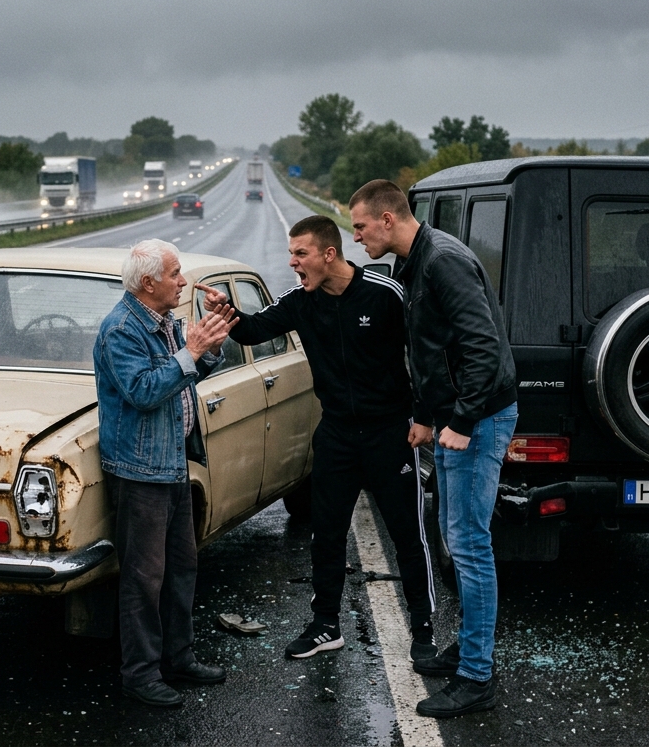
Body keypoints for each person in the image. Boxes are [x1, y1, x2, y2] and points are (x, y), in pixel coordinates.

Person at [197, 214, 437, 662]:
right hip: (337, 436)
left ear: (329, 254)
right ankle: (326, 625)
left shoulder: (385, 294)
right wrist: (225, 311)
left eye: (300, 253)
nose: (292, 263)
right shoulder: (301, 301)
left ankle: (423, 632)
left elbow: (424, 352)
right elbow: (252, 330)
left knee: (408, 534)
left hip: (391, 433)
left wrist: (423, 416)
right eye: (290, 254)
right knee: (325, 533)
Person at [350, 180, 518, 719]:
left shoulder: (442, 261)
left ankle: (477, 678)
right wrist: (425, 417)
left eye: (360, 227)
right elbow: (429, 349)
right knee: (457, 536)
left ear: (389, 219)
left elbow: (483, 346)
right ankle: (469, 652)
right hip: (449, 418)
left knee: (469, 545)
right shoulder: (412, 261)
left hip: (479, 417)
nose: (357, 239)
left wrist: (464, 419)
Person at [93, 239, 239, 708]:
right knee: (143, 577)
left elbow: (189, 372)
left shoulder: (165, 322)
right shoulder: (121, 330)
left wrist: (210, 341)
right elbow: (142, 391)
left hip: (173, 462)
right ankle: (140, 674)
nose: (183, 281)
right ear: (149, 282)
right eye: (176, 274)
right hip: (139, 471)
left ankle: (179, 658)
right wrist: (190, 353)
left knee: (182, 567)